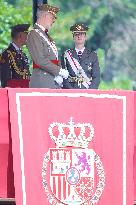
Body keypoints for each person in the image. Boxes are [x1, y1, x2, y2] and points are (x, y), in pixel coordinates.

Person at [27, 4, 69, 88]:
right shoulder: (34, 34)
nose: (54, 20)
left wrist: (59, 72)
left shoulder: (45, 36)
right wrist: (59, 71)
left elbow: (54, 59)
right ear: (45, 16)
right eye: (52, 17)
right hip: (42, 80)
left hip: (51, 80)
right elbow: (39, 60)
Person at [61, 23, 100, 89]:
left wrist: (90, 92)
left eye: (81, 34)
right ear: (73, 37)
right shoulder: (66, 55)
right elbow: (64, 77)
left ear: (85, 37)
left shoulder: (93, 55)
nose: (79, 36)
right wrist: (71, 91)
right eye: (76, 34)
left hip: (87, 90)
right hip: (70, 91)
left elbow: (96, 77)